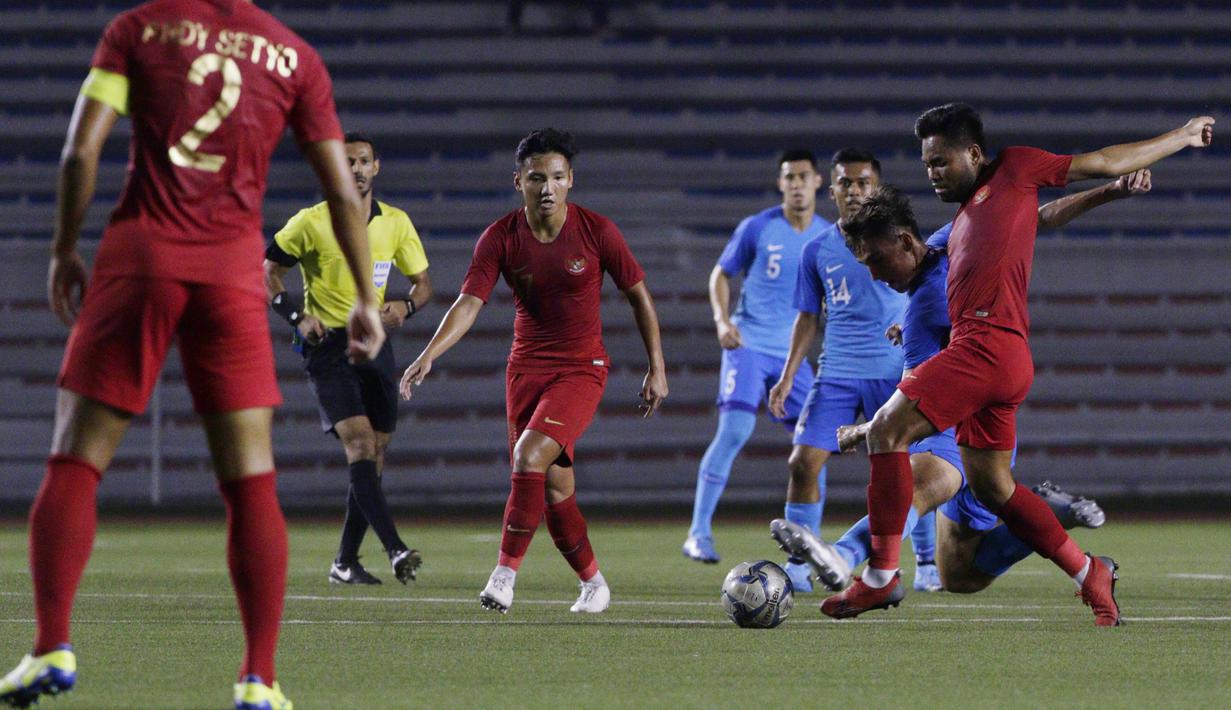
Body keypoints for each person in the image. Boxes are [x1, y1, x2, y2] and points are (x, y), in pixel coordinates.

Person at [0, 2, 385, 708]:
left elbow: (78, 151)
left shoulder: (138, 29)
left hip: (139, 254)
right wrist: (364, 294)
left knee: (76, 457)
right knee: (249, 478)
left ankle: (50, 645)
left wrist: (62, 248)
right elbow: (338, 190)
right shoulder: (293, 57)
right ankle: (258, 679)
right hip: (231, 273)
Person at [819, 103, 1212, 626]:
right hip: (1003, 359)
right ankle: (1087, 570)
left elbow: (1104, 159)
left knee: (887, 430)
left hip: (983, 349)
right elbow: (1037, 220)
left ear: (974, 154)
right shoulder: (957, 227)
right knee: (994, 487)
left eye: (942, 161)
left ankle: (879, 578)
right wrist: (911, 321)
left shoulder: (1015, 169)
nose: (933, 173)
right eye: (927, 165)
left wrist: (1181, 137)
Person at [775, 171, 1152, 596]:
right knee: (960, 574)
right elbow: (1038, 218)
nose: (877, 276)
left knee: (916, 489)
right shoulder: (945, 242)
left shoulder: (924, 305)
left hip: (958, 421)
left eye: (877, 262)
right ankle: (1047, 515)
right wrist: (1110, 191)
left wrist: (863, 429)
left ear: (904, 242)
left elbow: (913, 399)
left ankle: (844, 555)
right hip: (985, 417)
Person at [399, 128, 668, 614]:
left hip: (582, 369)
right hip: (525, 370)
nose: (547, 187)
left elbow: (639, 296)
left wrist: (657, 366)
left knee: (528, 457)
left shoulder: (597, 231)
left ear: (571, 181)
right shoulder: (500, 237)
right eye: (537, 178)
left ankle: (504, 576)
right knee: (554, 487)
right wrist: (429, 353)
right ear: (518, 181)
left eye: (558, 178)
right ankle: (593, 582)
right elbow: (469, 302)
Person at [764, 149, 937, 593]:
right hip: (837, 372)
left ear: (876, 190)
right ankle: (801, 564)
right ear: (832, 188)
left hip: (895, 370)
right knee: (802, 464)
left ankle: (926, 560)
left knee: (910, 467)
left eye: (864, 183)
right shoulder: (816, 250)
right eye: (847, 183)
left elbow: (926, 291)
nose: (855, 191)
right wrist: (788, 376)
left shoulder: (900, 241)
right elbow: (807, 318)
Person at [264, 132, 432, 587]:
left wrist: (406, 307)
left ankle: (343, 562)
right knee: (359, 445)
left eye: (362, 161)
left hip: (376, 344)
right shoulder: (310, 222)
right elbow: (268, 272)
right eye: (346, 162)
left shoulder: (395, 222)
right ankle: (396, 549)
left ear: (376, 166)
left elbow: (423, 284)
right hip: (328, 348)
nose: (355, 169)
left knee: (374, 454)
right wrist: (297, 317)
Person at [682, 150, 829, 565]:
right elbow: (720, 273)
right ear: (780, 183)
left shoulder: (827, 235)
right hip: (747, 346)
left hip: (792, 357)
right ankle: (698, 533)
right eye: (789, 177)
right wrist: (721, 320)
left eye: (803, 176)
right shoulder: (758, 228)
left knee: (813, 446)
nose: (797, 183)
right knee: (734, 432)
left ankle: (810, 546)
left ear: (817, 182)